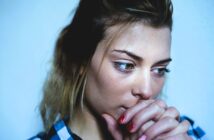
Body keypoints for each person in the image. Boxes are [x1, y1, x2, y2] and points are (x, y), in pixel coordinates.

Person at [30, 0, 207, 139]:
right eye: (125, 65)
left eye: (159, 69)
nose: (147, 90)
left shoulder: (187, 133)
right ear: (80, 61)